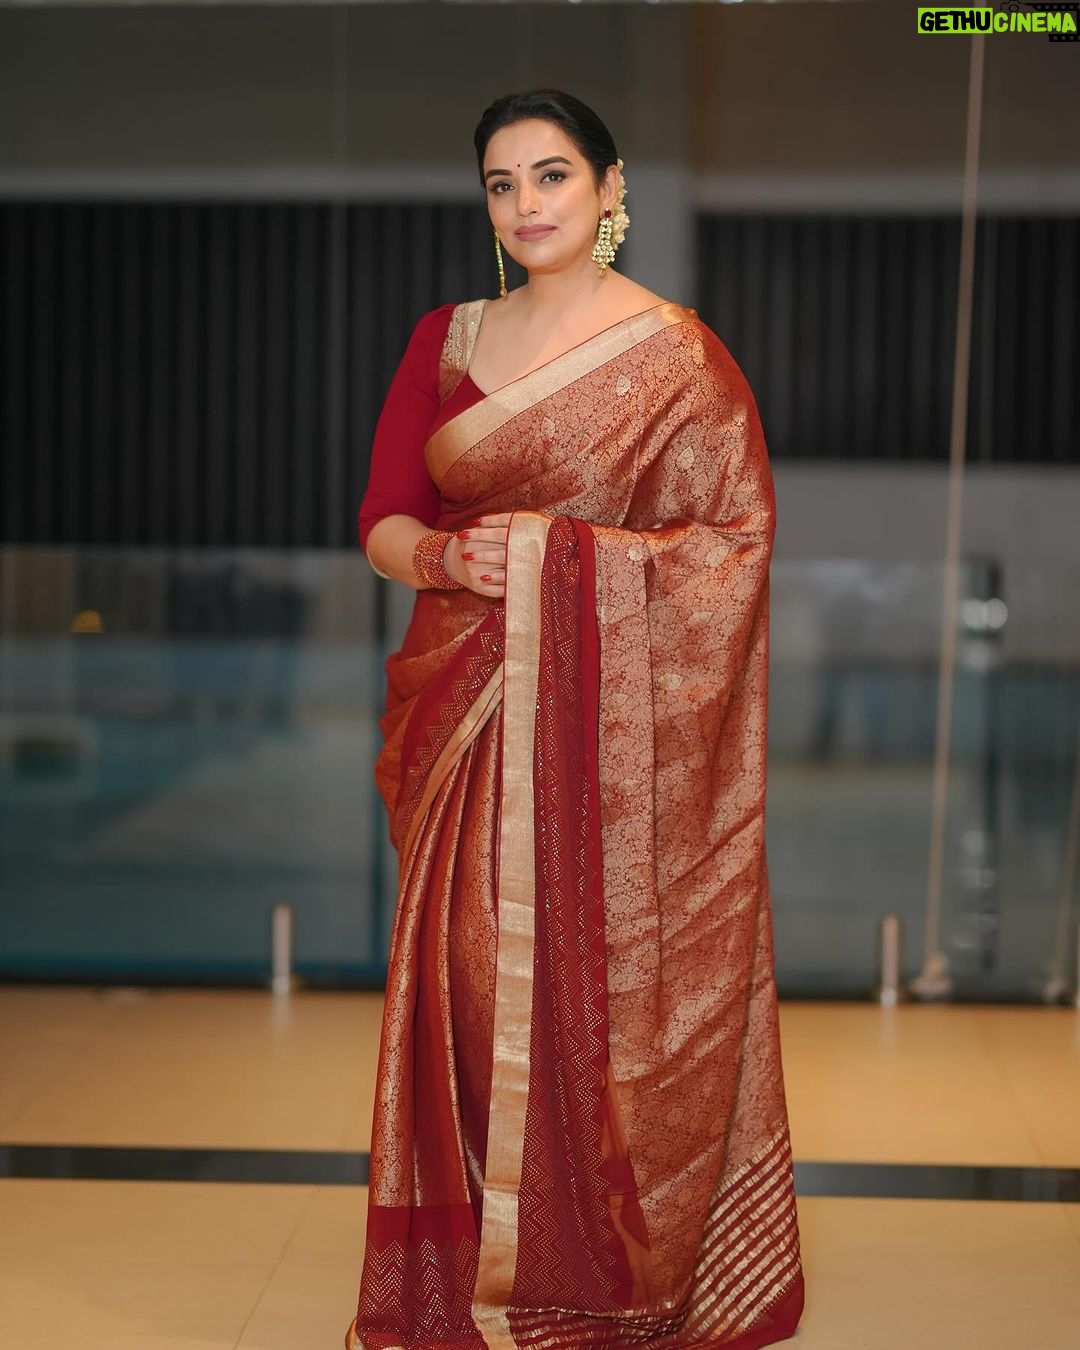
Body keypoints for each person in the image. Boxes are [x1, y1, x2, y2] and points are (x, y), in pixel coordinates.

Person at [346, 88, 805, 1350]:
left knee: (593, 1006)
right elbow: (385, 516)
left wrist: (562, 560)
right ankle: (475, 1270)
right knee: (466, 982)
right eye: (502, 183)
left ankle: (601, 1277)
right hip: (463, 712)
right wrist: (448, 562)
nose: (526, 203)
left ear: (610, 189)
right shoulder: (446, 339)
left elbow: (733, 547)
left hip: (609, 757)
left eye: (551, 175)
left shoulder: (677, 360)